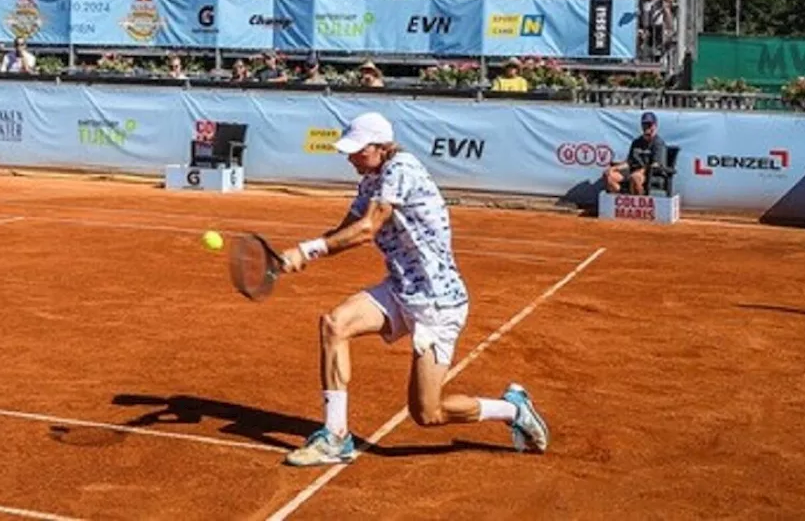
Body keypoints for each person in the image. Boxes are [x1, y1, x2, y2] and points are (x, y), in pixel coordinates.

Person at [277, 112, 549, 467]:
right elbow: (348, 226)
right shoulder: (371, 179)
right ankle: (335, 436)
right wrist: (302, 252)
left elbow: (367, 230)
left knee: (427, 412)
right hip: (400, 289)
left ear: (381, 147)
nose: (351, 157)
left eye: (358, 150)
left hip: (437, 303)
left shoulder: (401, 169)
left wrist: (307, 250)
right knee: (334, 324)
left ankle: (512, 409)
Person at [604, 111, 668, 195]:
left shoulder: (658, 143)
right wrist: (614, 168)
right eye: (645, 125)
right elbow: (629, 162)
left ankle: (639, 202)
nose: (647, 127)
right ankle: (622, 198)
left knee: (635, 177)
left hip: (652, 175)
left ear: (655, 125)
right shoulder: (636, 142)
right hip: (632, 172)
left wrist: (641, 171)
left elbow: (656, 165)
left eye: (650, 125)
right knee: (609, 176)